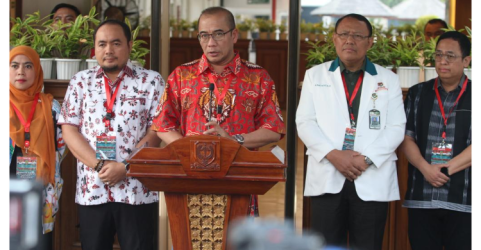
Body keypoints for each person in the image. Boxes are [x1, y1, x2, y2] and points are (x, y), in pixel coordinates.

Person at [150, 6, 285, 216]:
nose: (210, 43)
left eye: (218, 34)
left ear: (234, 35)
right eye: (204, 35)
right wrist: (191, 153)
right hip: (191, 180)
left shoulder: (258, 78)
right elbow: (162, 124)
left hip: (239, 179)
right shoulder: (181, 75)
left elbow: (273, 128)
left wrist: (234, 140)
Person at [296, 13, 406, 250]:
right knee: (325, 245)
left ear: (370, 42)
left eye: (357, 36)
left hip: (371, 175)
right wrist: (334, 155)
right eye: (344, 34)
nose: (350, 40)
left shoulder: (389, 79)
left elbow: (396, 128)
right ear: (334, 39)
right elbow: (304, 122)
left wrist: (365, 159)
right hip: (328, 172)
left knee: (367, 245)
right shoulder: (315, 76)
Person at [58, 19, 165, 250]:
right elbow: (69, 129)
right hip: (93, 189)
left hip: (137, 189)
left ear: (129, 45)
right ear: (94, 49)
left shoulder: (151, 81)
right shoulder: (80, 82)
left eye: (116, 43)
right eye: (102, 44)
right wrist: (99, 166)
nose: (108, 50)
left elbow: (157, 129)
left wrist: (125, 167)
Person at [401, 31, 472, 250]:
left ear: (466, 60)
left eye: (450, 56)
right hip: (421, 195)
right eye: (439, 54)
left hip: (465, 199)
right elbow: (406, 138)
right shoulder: (418, 93)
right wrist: (426, 169)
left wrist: (444, 170)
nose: (442, 61)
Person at [8, 46, 66, 249]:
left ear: (37, 71)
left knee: (38, 243)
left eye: (28, 66)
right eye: (14, 66)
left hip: (41, 193)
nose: (21, 72)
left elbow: (61, 149)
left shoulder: (51, 107)